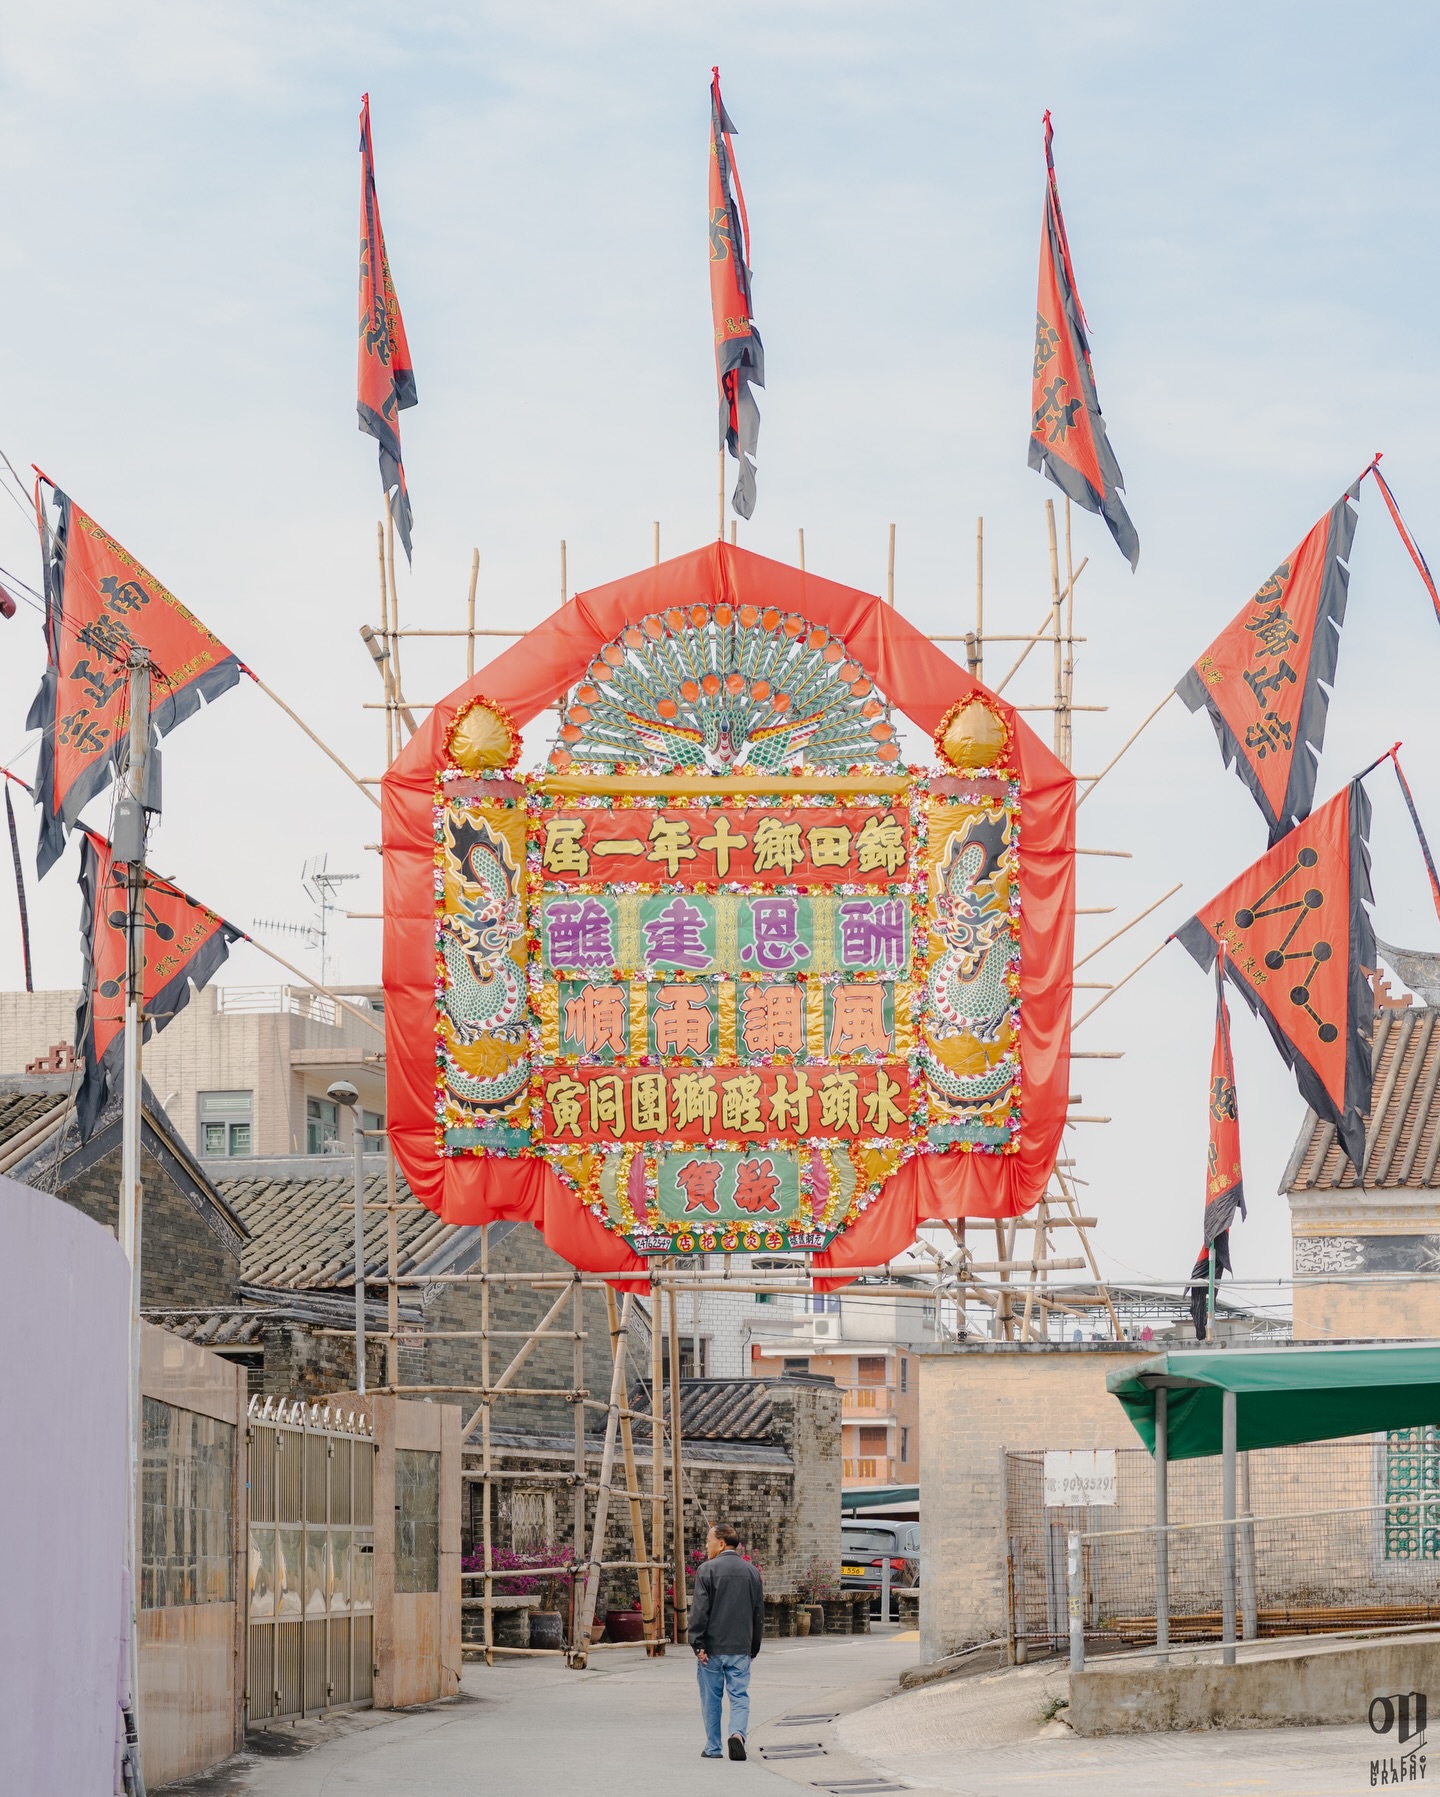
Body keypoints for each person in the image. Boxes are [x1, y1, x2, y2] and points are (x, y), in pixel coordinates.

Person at [688, 1522, 764, 1761]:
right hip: (740, 1646)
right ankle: (738, 1735)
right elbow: (758, 1613)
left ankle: (713, 1747)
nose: (706, 1546)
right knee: (739, 1695)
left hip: (711, 1649)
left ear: (721, 1544)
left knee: (711, 1698)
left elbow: (700, 1611)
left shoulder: (707, 1570)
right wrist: (753, 1646)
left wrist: (697, 1644)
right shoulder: (752, 1572)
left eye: (709, 1541)